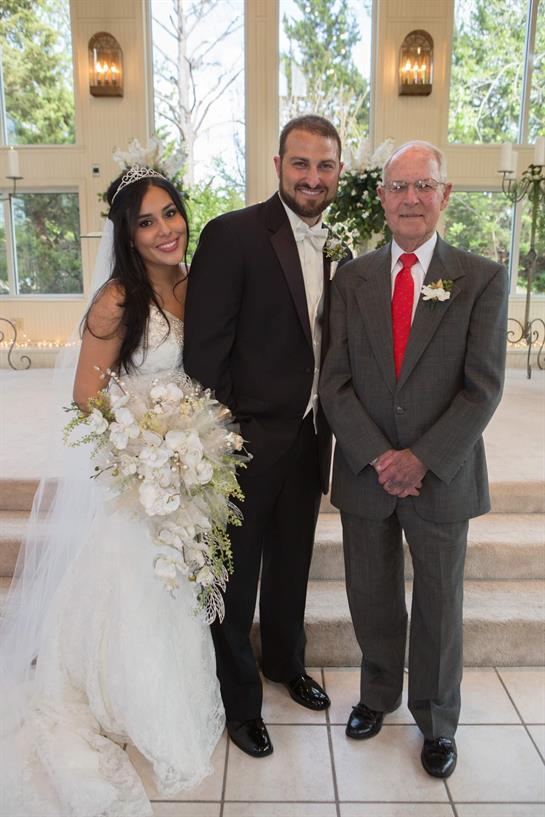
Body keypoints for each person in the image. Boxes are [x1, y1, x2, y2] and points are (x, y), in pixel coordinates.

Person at [0, 167, 224, 816]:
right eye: (146, 221)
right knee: (133, 588)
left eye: (171, 214)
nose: (165, 230)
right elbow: (85, 400)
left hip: (189, 467)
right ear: (126, 234)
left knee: (176, 590)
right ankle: (123, 700)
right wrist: (143, 453)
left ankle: (175, 697)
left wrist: (188, 448)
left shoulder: (191, 284)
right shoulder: (116, 300)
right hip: (136, 477)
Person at [320, 141, 508, 778]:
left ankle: (436, 719)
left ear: (445, 194)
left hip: (442, 475)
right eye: (398, 187)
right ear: (381, 197)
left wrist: (421, 458)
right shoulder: (353, 277)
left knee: (439, 603)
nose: (410, 199)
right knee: (370, 594)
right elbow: (334, 381)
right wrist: (379, 457)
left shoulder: (480, 277)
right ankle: (377, 696)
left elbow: (482, 386)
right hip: (368, 472)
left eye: (423, 186)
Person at [184, 115, 349, 758]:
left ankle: (286, 663)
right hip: (245, 439)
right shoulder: (232, 234)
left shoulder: (341, 247)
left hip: (311, 439)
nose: (313, 177)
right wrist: (225, 432)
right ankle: (241, 702)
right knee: (236, 576)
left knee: (292, 566)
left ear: (338, 171)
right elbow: (206, 350)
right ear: (278, 164)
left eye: (325, 165)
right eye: (301, 163)